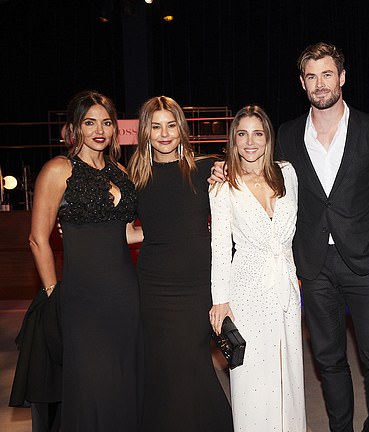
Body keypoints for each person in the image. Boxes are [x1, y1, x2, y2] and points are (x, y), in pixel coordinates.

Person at [211, 42, 369, 432]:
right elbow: (257, 168)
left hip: (365, 264)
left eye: (327, 74)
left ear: (342, 77)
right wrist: (218, 172)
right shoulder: (289, 135)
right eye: (312, 76)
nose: (320, 83)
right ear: (302, 82)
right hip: (312, 267)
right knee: (328, 360)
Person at [28, 90, 143, 432]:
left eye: (107, 122)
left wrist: (175, 233)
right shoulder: (57, 170)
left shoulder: (121, 171)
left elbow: (126, 234)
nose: (100, 129)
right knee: (93, 384)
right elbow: (37, 239)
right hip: (83, 298)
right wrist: (53, 293)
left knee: (126, 378)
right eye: (90, 122)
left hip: (126, 294)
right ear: (74, 127)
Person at [127, 96, 233, 432]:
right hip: (154, 286)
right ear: (146, 132)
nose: (164, 133)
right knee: (164, 367)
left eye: (171, 125)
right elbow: (128, 232)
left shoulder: (206, 168)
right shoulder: (134, 178)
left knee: (191, 360)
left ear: (181, 129)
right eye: (156, 126)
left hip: (197, 283)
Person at [209, 105, 305, 432]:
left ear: (268, 138)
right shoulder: (224, 187)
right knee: (252, 379)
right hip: (246, 293)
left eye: (258, 133)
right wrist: (220, 301)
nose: (250, 142)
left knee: (288, 373)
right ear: (233, 141)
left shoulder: (287, 174)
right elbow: (220, 248)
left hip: (286, 292)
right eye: (242, 134)